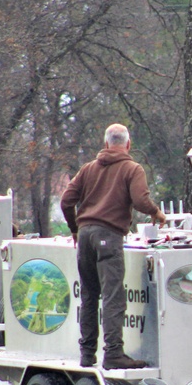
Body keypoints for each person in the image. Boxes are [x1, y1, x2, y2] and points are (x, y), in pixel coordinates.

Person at [60, 123, 167, 370]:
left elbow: (66, 200)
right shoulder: (132, 168)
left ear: (106, 143)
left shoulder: (88, 169)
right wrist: (156, 212)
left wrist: (74, 228)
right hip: (109, 236)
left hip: (85, 236)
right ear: (128, 144)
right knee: (112, 297)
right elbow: (140, 200)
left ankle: (87, 355)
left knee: (89, 296)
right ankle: (114, 354)